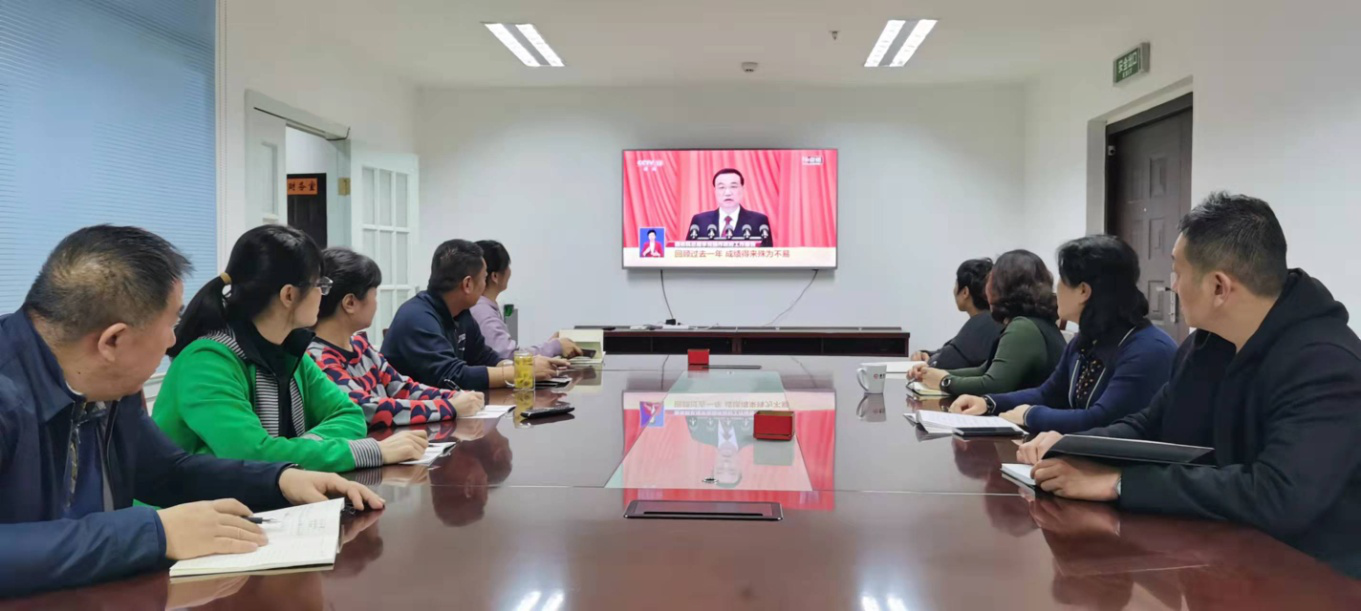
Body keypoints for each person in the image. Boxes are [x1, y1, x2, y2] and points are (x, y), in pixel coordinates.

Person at [0, 225, 384, 598]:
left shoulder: (110, 383)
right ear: (113, 340)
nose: (173, 339)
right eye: (171, 323)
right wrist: (155, 533)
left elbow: (167, 471)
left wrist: (280, 480)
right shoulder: (10, 393)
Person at [1016, 193, 1361, 577]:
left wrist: (1120, 483)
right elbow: (1151, 424)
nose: (1172, 286)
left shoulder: (1326, 363)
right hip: (1221, 555)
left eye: (1177, 272)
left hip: (1313, 578)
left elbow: (1278, 495)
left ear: (1219, 287)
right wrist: (1074, 446)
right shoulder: (1207, 344)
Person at [154, 226, 430, 473]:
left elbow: (349, 414)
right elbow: (252, 455)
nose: (323, 294)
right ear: (289, 295)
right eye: (320, 285)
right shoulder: (207, 362)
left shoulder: (289, 351)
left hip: (257, 499)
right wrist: (369, 452)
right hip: (188, 510)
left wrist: (295, 450)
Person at [950, 236, 1177, 432]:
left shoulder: (1148, 349)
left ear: (1083, 291)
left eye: (1062, 280)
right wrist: (989, 403)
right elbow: (1048, 394)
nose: (1055, 288)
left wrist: (1030, 415)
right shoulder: (1087, 339)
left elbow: (1102, 419)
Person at [308, 247, 486, 428]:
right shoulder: (317, 358)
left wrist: (455, 396)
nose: (376, 303)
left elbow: (402, 388)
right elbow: (367, 408)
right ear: (350, 303)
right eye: (374, 295)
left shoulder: (360, 346)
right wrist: (450, 407)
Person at [383, 239, 568, 391]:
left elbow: (486, 358)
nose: (485, 285)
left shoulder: (461, 313)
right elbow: (451, 376)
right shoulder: (417, 317)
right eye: (484, 277)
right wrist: (521, 372)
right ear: (468, 284)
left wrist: (526, 365)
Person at [910, 250, 1066, 396]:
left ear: (1002, 287)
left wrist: (945, 381)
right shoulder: (1035, 322)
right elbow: (985, 370)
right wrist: (935, 374)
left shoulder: (1023, 328)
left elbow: (993, 384)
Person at [470, 240, 584, 361]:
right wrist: (555, 347)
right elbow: (509, 357)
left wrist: (550, 346)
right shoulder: (483, 312)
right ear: (495, 276)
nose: (510, 271)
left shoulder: (482, 308)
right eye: (507, 266)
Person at [910, 258, 1003, 369]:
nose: (954, 289)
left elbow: (945, 362)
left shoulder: (981, 325)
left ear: (965, 292)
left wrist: (930, 360)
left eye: (956, 283)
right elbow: (953, 350)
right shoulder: (994, 320)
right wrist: (927, 354)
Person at [687, 168, 773, 247]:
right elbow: (687, 253)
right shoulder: (700, 221)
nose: (727, 193)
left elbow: (768, 254)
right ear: (715, 191)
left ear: (742, 189)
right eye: (721, 187)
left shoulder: (759, 221)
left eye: (733, 186)